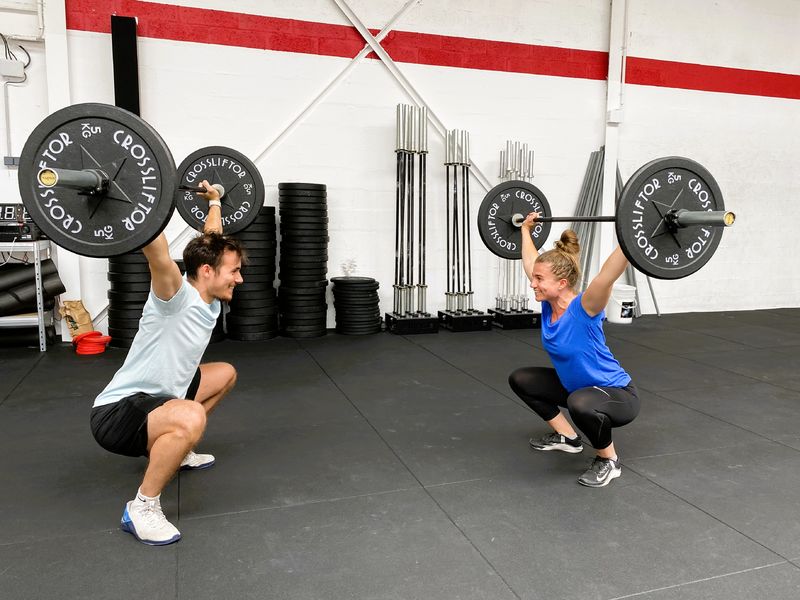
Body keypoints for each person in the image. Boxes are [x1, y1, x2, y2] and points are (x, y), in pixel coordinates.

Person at [90, 180, 245, 544]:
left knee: (225, 374)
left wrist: (215, 202)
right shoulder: (174, 295)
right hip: (118, 412)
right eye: (234, 271)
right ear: (207, 272)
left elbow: (211, 238)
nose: (239, 278)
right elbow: (156, 251)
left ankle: (178, 449)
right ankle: (142, 507)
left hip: (161, 398)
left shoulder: (208, 291)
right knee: (192, 416)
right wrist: (136, 197)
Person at [509, 212, 640, 488]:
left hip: (617, 394)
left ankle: (609, 460)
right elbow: (531, 263)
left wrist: (632, 233)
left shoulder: (585, 308)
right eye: (534, 278)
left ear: (562, 284)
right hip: (577, 388)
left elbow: (607, 276)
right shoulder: (548, 303)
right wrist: (525, 230)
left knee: (580, 403)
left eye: (539, 279)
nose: (532, 283)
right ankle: (567, 438)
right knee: (521, 379)